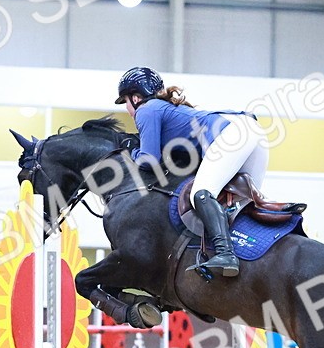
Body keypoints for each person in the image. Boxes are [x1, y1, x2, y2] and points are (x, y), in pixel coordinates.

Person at [115, 66, 270, 278]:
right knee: (242, 203)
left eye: (125, 101)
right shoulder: (164, 110)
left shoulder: (146, 109)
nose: (126, 108)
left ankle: (226, 254)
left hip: (233, 132)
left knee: (201, 194)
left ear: (135, 97)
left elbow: (149, 160)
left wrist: (130, 152)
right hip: (252, 132)